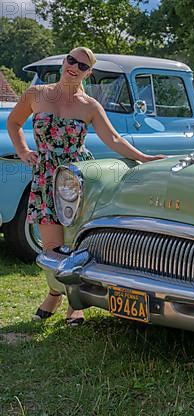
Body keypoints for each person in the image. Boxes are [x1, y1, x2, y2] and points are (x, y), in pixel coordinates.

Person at [7, 47, 165, 326]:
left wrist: (143, 157)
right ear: (64, 61)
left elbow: (113, 140)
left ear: (88, 73)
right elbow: (14, 122)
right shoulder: (36, 94)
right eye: (71, 60)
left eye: (82, 65)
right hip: (45, 176)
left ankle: (73, 302)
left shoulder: (90, 105)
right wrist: (23, 151)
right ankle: (55, 293)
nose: (74, 67)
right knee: (52, 247)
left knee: (77, 244)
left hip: (76, 178)